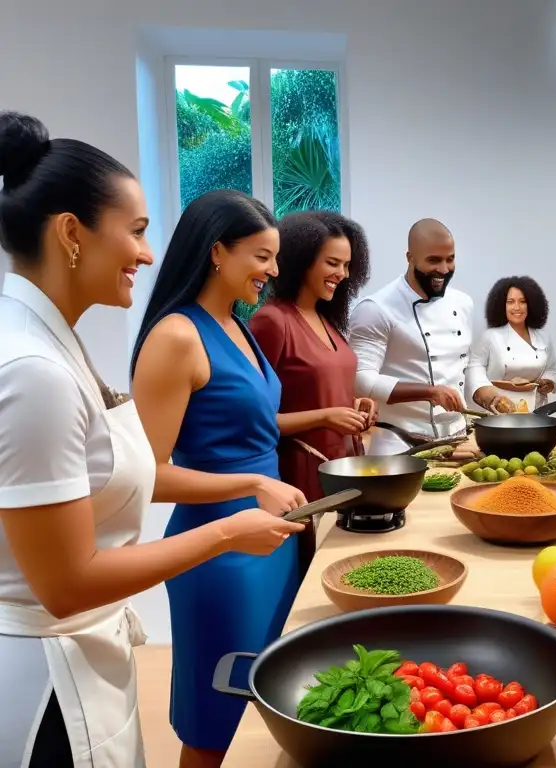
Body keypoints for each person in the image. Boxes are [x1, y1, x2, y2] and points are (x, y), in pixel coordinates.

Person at [0, 113, 301, 767]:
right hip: (48, 683)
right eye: (136, 231)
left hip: (87, 650)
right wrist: (231, 520)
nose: (146, 252)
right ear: (72, 234)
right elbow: (67, 581)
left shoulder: (52, 345)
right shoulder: (33, 369)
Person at [130, 189, 308, 766]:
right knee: (216, 728)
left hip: (269, 542)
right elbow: (147, 477)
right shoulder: (178, 335)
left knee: (268, 710)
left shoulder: (235, 324)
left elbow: (248, 429)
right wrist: (250, 486)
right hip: (218, 555)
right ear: (216, 252)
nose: (273, 271)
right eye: (261, 256)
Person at [249, 210, 379, 580]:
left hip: (343, 473)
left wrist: (353, 407)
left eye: (348, 265)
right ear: (302, 260)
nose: (343, 274)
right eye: (333, 263)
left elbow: (321, 392)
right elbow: (256, 423)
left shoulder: (326, 319)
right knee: (314, 581)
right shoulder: (272, 321)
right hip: (301, 481)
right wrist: (325, 416)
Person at [348, 218, 472, 454]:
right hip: (397, 442)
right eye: (433, 260)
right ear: (410, 258)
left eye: (450, 259)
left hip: (456, 441)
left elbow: (465, 363)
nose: (444, 270)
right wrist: (430, 392)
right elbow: (361, 380)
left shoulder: (463, 303)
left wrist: (488, 396)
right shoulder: (375, 308)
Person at [467, 275, 556, 414]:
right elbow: (474, 368)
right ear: (501, 305)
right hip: (501, 410)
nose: (517, 307)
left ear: (531, 304)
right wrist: (489, 398)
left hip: (537, 410)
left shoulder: (543, 337)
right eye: (510, 302)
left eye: (523, 301)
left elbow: (551, 369)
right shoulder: (490, 337)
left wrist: (549, 382)